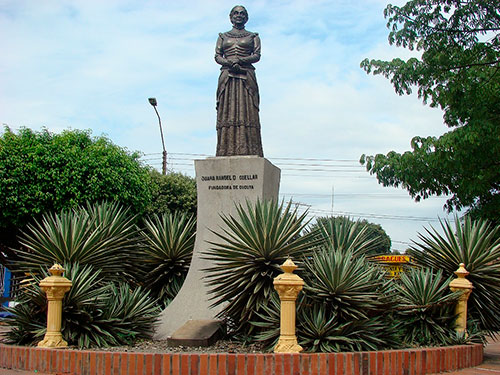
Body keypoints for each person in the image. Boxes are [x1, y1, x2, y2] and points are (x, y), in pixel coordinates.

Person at [215, 5, 264, 157]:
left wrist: (240, 60)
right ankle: (225, 149)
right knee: (227, 111)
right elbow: (217, 56)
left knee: (247, 111)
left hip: (246, 75)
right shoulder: (223, 36)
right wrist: (230, 63)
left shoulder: (253, 36)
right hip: (227, 75)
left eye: (242, 13)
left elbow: (256, 55)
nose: (239, 15)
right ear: (231, 16)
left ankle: (249, 149)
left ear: (246, 17)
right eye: (236, 13)